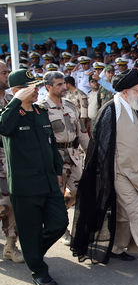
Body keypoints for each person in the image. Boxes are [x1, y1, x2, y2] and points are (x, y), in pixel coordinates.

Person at [71, 69, 138, 271]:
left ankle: (117, 248)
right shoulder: (111, 110)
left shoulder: (136, 109)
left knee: (124, 215)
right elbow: (99, 146)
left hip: (137, 174)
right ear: (126, 91)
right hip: (119, 174)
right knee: (137, 212)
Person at [0, 69, 68, 285]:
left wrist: (58, 171)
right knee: (29, 229)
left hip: (48, 181)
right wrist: (15, 102)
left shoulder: (40, 112)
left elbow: (51, 145)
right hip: (25, 185)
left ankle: (33, 253)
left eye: (37, 86)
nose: (37, 90)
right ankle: (39, 270)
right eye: (32, 87)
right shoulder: (9, 115)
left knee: (59, 223)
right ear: (17, 90)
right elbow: (3, 128)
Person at [38, 71, 89, 245]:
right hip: (54, 158)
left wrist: (91, 151)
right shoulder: (40, 108)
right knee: (57, 196)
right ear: (48, 87)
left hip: (73, 156)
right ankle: (62, 230)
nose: (64, 87)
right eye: (59, 84)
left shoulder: (70, 105)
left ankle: (56, 216)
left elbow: (81, 132)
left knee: (79, 191)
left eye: (64, 84)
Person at [0, 61, 24, 263]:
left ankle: (10, 245)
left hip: (10, 161)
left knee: (12, 204)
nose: (7, 76)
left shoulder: (11, 99)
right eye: (3, 72)